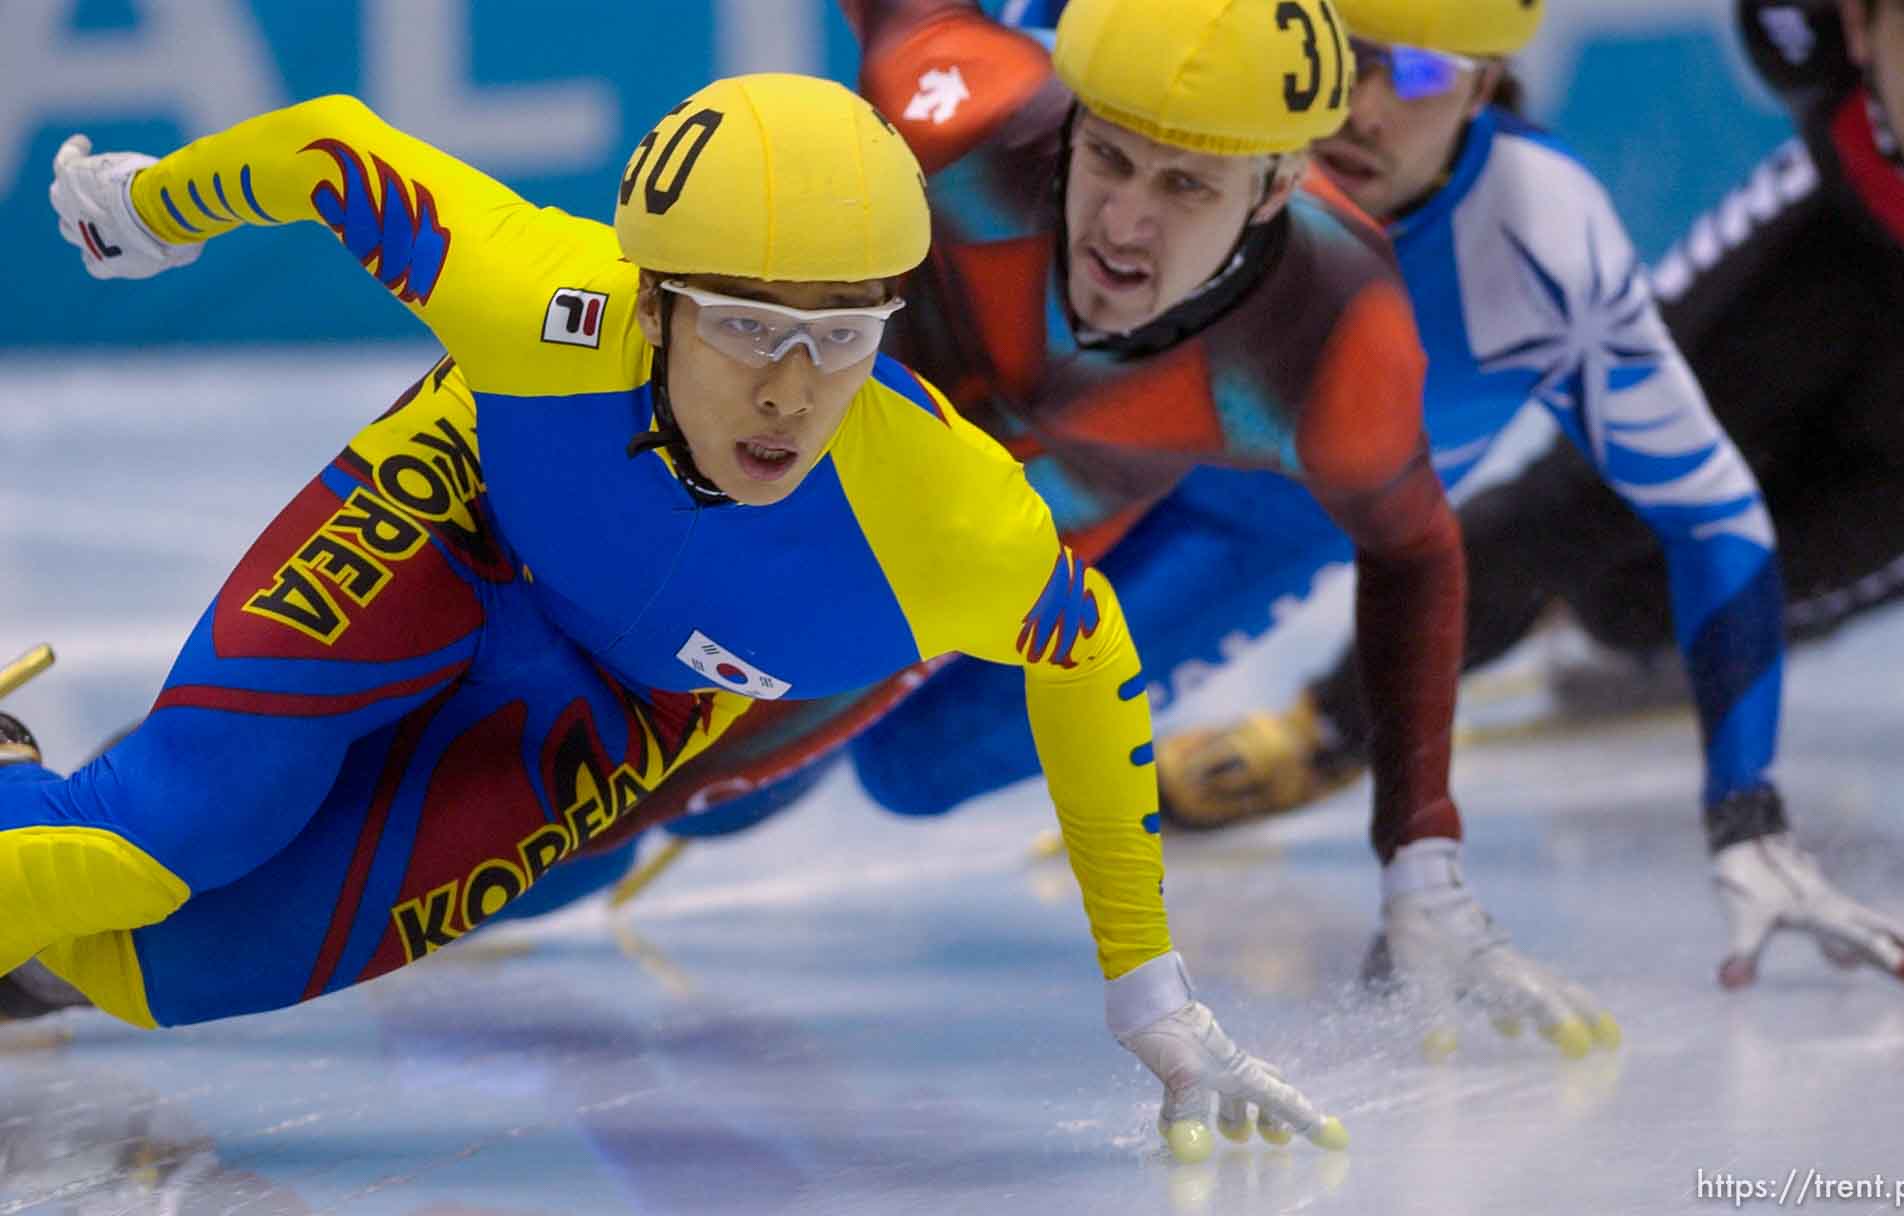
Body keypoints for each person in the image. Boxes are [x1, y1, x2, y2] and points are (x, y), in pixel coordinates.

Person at [8, 71, 1343, 1163]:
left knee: (163, 971)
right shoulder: (540, 300)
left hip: (634, 690)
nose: (792, 393)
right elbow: (329, 149)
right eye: (748, 329)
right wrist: (146, 211)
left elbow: (1092, 666)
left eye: (843, 337)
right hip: (457, 511)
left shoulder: (947, 523)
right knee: (167, 835)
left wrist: (1149, 992)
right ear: (650, 304)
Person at [564, 0, 1618, 1062]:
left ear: (1278, 187)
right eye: (1106, 159)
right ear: (1069, 120)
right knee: (575, 735)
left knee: (710, 802)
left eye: (1186, 186)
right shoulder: (969, 105)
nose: (1121, 223)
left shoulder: (1331, 324)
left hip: (920, 577)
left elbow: (1412, 546)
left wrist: (1420, 852)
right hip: (783, 462)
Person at [1156, 0, 1904, 987]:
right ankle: (1325, 728)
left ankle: (1623, 634)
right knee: (1586, 494)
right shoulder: (1792, 31)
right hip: (1832, 244)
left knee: (1678, 603)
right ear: (1854, 28)